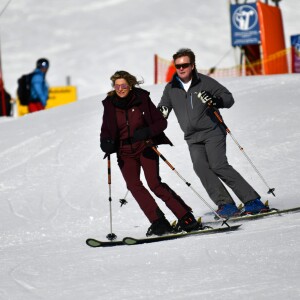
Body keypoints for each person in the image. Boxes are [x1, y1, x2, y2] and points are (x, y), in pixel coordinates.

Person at [158, 48, 269, 218]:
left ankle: (252, 201)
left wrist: (215, 100)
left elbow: (228, 98)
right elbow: (163, 108)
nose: (181, 68)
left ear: (193, 65)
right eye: (178, 66)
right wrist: (161, 113)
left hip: (212, 131)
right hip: (192, 137)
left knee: (218, 165)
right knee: (201, 167)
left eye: (185, 65)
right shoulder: (171, 88)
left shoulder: (205, 82)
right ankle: (226, 204)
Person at [100, 70, 201, 236]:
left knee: (154, 184)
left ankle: (186, 217)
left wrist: (146, 132)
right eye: (117, 86)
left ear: (130, 85)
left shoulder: (141, 99)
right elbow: (106, 130)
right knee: (134, 186)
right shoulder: (110, 104)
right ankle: (159, 222)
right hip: (124, 152)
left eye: (123, 85)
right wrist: (106, 143)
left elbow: (161, 123)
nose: (120, 89)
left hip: (145, 147)